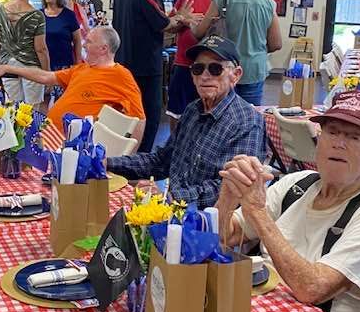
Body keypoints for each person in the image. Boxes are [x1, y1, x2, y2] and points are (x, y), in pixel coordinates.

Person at [217, 90, 360, 312]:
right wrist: (228, 197)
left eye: (354, 137)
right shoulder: (298, 184)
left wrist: (258, 213)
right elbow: (225, 237)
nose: (338, 143)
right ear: (318, 141)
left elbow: (313, 289)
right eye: (332, 132)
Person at [106, 36, 266, 206]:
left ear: (236, 75)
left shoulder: (247, 122)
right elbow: (162, 161)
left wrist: (169, 197)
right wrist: (108, 162)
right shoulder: (192, 110)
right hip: (172, 211)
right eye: (198, 69)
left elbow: (230, 189)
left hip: (209, 222)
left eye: (215, 68)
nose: (205, 76)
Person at [0, 25, 145, 139]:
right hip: (48, 134)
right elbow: (45, 77)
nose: (83, 44)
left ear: (103, 49)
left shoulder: (121, 76)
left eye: (89, 42)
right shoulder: (81, 69)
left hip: (73, 145)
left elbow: (139, 119)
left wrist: (126, 158)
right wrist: (11, 69)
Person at [112, 0, 193, 152]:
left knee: (127, 115)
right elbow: (163, 24)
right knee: (149, 115)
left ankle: (125, 156)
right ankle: (142, 161)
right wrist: (183, 19)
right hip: (145, 66)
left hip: (124, 63)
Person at [191, 0, 281, 106]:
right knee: (250, 115)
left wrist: (191, 24)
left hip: (223, 67)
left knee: (220, 113)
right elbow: (276, 43)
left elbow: (199, 33)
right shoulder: (268, 2)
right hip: (254, 69)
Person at [167, 0, 228, 126]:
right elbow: (169, 28)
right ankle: (176, 148)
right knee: (177, 112)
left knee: (211, 112)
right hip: (184, 65)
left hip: (215, 68)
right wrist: (181, 19)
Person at [0, 0, 49, 106]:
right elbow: (41, 49)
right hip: (31, 67)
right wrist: (46, 72)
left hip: (8, 64)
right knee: (31, 111)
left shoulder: (1, 11)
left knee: (11, 107)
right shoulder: (37, 16)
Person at [42, 0, 82, 71]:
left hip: (64, 66)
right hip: (43, 66)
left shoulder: (69, 15)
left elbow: (77, 41)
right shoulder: (39, 15)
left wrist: (78, 64)